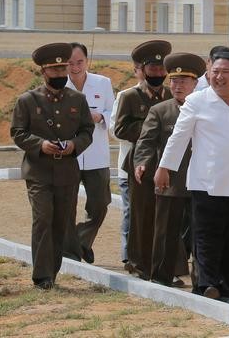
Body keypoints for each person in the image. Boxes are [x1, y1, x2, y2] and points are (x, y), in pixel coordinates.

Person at [155, 52, 229, 303]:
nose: (219, 77)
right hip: (206, 181)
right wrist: (164, 167)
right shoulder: (197, 101)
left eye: (225, 72)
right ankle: (207, 284)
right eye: (215, 72)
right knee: (206, 237)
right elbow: (179, 137)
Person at [10, 42, 94, 290]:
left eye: (62, 69)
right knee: (43, 218)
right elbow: (18, 132)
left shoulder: (77, 99)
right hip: (39, 171)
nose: (59, 74)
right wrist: (40, 145)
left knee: (60, 223)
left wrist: (74, 145)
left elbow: (87, 130)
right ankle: (41, 276)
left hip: (67, 171)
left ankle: (52, 273)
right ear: (43, 71)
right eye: (54, 70)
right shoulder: (28, 100)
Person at [134, 52, 206, 287]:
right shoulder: (161, 110)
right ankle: (161, 278)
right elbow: (146, 142)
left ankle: (202, 281)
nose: (177, 86)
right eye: (173, 81)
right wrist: (142, 163)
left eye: (183, 81)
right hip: (170, 182)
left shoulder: (208, 108)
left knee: (201, 234)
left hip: (202, 181)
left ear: (195, 83)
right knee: (165, 232)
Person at [114, 39, 172, 280]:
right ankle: (139, 263)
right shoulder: (130, 96)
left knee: (167, 217)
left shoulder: (171, 94)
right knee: (141, 216)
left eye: (161, 69)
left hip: (168, 161)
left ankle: (165, 266)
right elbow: (120, 129)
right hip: (140, 162)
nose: (157, 73)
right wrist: (150, 129)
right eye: (152, 68)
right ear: (143, 69)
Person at [62, 42, 115, 264]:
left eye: (80, 62)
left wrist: (101, 117)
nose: (75, 67)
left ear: (86, 61)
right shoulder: (59, 86)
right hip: (69, 155)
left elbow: (113, 113)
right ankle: (71, 252)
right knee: (66, 205)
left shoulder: (102, 83)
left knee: (100, 204)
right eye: (70, 63)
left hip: (96, 155)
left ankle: (81, 240)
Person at [109, 63, 145, 264]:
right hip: (129, 165)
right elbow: (114, 130)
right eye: (144, 68)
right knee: (131, 212)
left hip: (158, 166)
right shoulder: (126, 95)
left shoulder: (167, 95)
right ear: (136, 71)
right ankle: (128, 255)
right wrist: (146, 133)